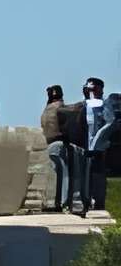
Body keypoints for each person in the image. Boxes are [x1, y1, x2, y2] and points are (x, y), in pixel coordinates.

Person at [44, 85, 85, 214]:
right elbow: (71, 110)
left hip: (48, 145)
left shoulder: (46, 109)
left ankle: (56, 202)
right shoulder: (60, 107)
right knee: (66, 175)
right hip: (59, 144)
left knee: (57, 175)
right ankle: (65, 202)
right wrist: (83, 103)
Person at [88, 79, 116, 219]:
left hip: (98, 147)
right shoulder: (86, 104)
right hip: (86, 146)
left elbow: (110, 123)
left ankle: (99, 203)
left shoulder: (105, 104)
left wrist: (97, 143)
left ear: (100, 88)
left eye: (93, 87)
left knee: (98, 173)